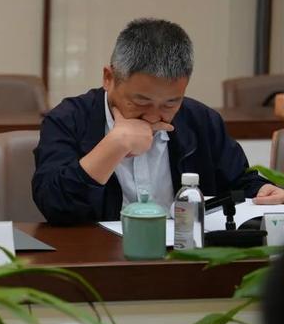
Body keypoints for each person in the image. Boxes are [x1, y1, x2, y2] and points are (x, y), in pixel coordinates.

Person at [32, 17, 284, 224]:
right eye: (140, 102)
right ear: (109, 78)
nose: (153, 116)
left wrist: (262, 191)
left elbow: (238, 182)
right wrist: (114, 145)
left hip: (184, 256)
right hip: (96, 258)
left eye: (170, 104)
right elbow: (55, 206)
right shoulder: (69, 119)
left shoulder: (201, 120)